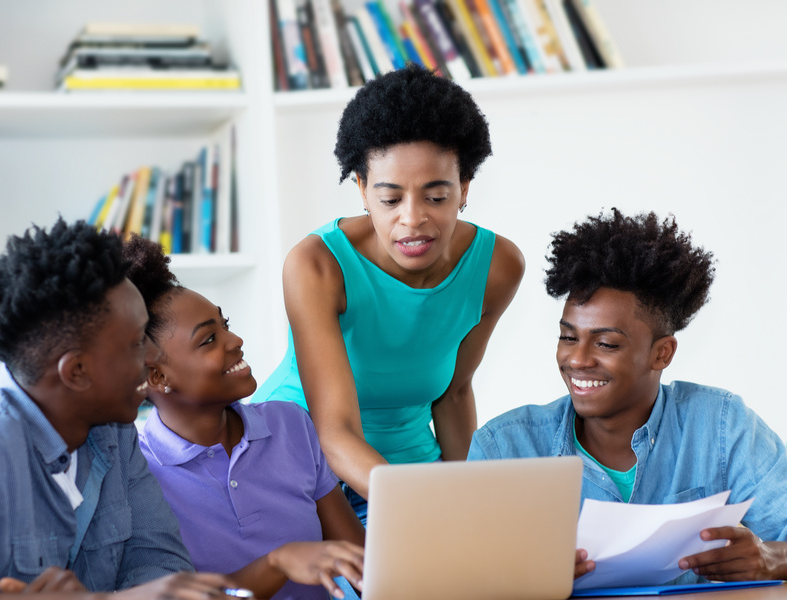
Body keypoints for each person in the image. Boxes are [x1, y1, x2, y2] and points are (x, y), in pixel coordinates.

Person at [0, 219, 243, 599]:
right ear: (76, 372)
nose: (154, 356)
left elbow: (161, 563)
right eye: (138, 342)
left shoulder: (117, 434)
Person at [253, 63, 525, 521]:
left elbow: (454, 395)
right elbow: (335, 431)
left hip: (408, 470)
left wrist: (470, 506)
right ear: (362, 190)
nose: (412, 219)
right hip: (301, 470)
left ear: (464, 189)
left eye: (436, 197)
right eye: (390, 199)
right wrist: (414, 507)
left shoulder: (498, 267)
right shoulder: (317, 266)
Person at [468, 209, 787, 582]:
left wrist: (772, 558)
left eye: (605, 343)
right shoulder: (504, 448)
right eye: (568, 337)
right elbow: (458, 574)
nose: (578, 359)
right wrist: (515, 577)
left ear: (661, 353)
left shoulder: (721, 427)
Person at [122, 236, 365, 600]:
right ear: (157, 377)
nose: (235, 339)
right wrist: (278, 562)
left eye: (226, 324)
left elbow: (363, 562)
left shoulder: (291, 424)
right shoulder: (139, 473)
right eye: (208, 339)